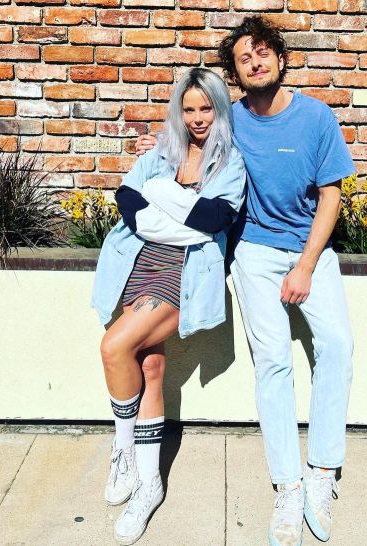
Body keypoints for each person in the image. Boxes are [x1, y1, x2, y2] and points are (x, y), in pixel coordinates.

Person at [136, 16, 355, 546]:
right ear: (234, 73)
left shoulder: (316, 117)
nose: (255, 63)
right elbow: (183, 149)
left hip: (310, 251)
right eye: (243, 58)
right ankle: (288, 486)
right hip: (253, 251)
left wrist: (305, 266)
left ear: (279, 57)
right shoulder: (228, 121)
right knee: (273, 360)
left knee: (337, 346)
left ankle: (322, 471)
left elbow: (331, 195)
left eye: (262, 52)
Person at [91, 67, 245, 545]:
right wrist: (177, 214)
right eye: (189, 108)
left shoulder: (231, 163)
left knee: (114, 347)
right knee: (150, 365)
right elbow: (127, 201)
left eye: (207, 108)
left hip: (184, 274)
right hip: (138, 263)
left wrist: (158, 196)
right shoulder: (161, 151)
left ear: (220, 110)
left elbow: (213, 220)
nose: (197, 118)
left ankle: (123, 450)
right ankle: (149, 481)